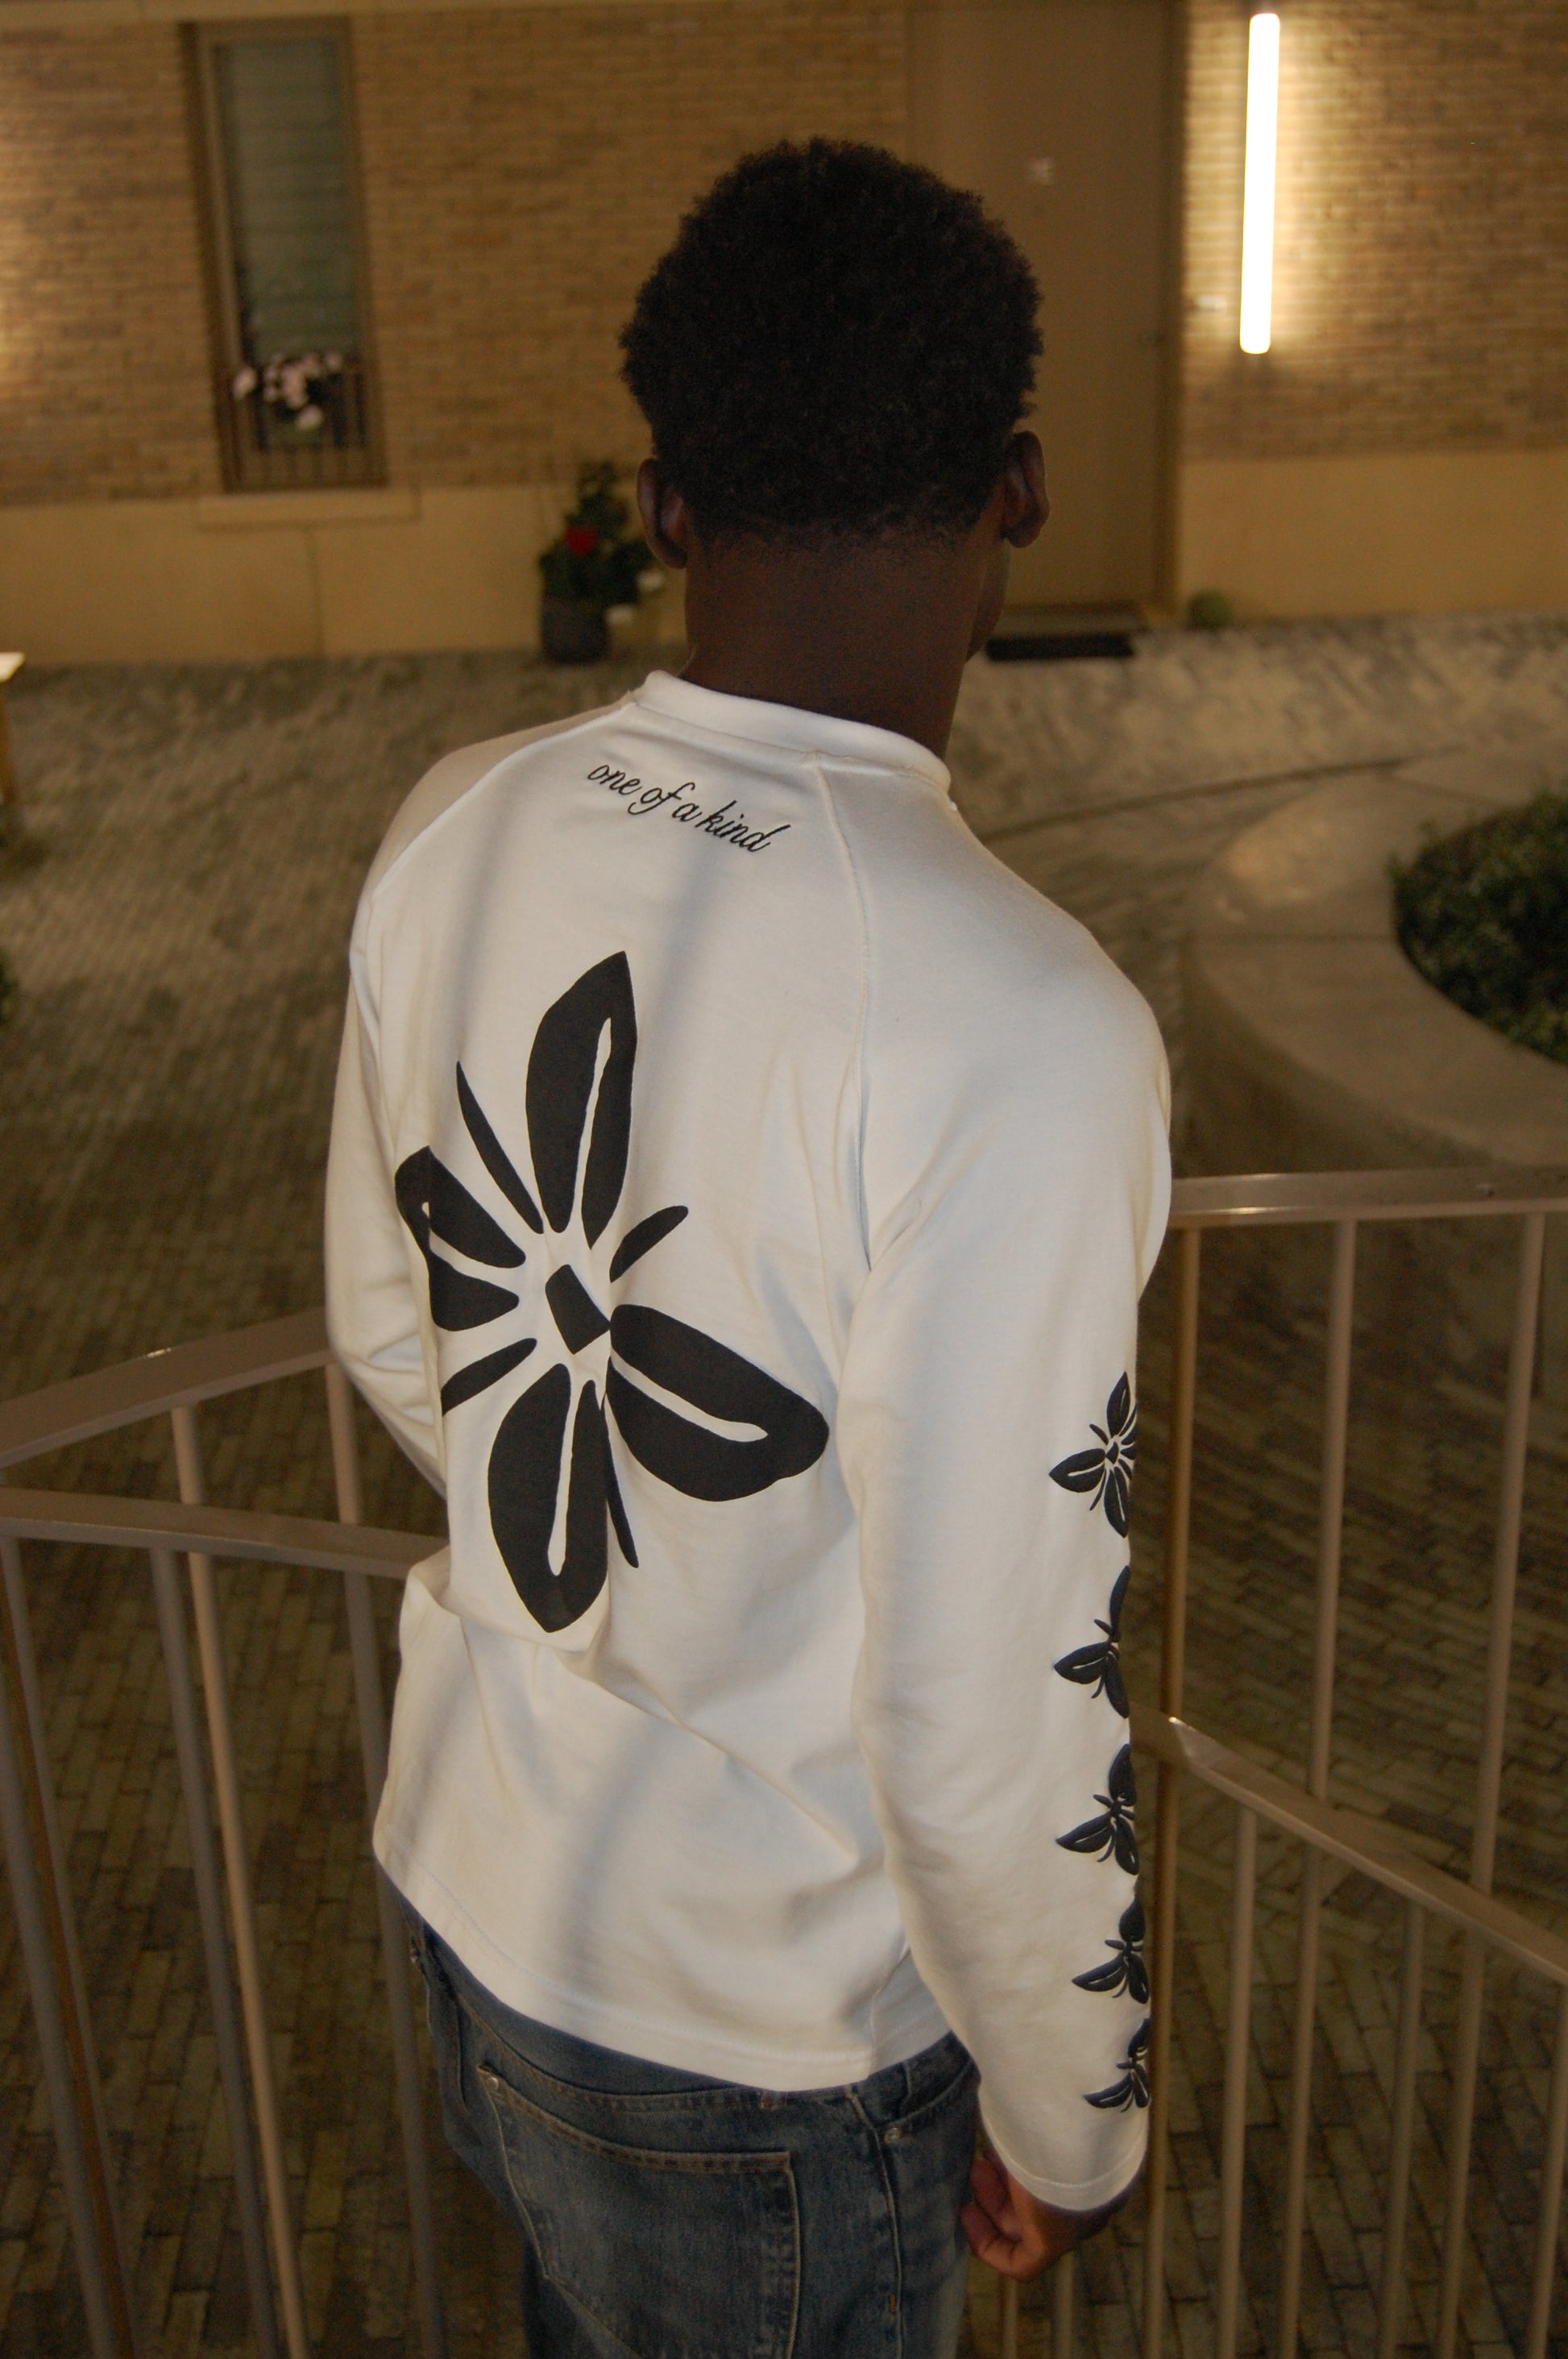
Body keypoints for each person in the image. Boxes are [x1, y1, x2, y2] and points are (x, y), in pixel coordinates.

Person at [326, 138, 1170, 2359]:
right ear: (1018, 491)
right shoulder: (1023, 1022)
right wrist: (1074, 2112)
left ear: (663, 505)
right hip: (771, 2036)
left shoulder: (456, 822)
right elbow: (982, 1704)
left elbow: (402, 1336)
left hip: (485, 1886)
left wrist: (627, 1598)